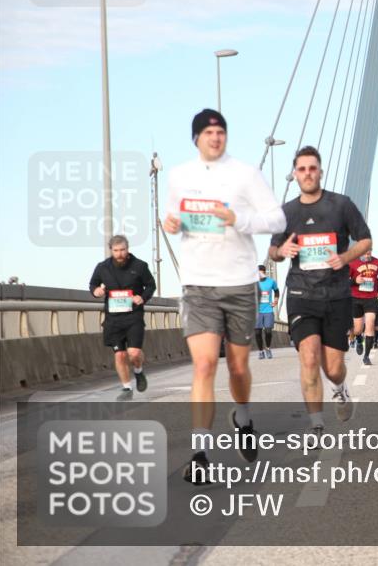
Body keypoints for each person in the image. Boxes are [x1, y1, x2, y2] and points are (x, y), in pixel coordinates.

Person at [164, 108, 286, 484]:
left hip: (238, 284)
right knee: (203, 367)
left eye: (220, 131)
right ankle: (199, 454)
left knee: (237, 367)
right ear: (196, 138)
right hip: (198, 285)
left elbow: (277, 220)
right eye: (208, 132)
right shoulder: (179, 175)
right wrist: (170, 223)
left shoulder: (245, 174)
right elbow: (174, 216)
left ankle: (243, 417)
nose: (215, 137)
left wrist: (241, 220)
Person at [269, 146, 371, 438]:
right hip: (302, 295)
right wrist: (281, 251)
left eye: (312, 168)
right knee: (309, 357)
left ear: (320, 171)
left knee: (333, 368)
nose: (308, 174)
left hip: (337, 296)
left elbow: (365, 240)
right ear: (295, 174)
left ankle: (339, 388)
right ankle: (315, 423)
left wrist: (346, 257)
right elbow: (273, 251)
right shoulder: (287, 212)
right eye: (302, 169)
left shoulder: (341, 205)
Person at [88, 234, 156, 401]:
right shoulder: (102, 267)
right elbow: (93, 284)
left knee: (133, 353)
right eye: (116, 250)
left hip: (133, 316)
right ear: (111, 250)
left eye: (122, 250)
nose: (119, 254)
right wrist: (96, 291)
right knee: (119, 355)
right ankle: (126, 388)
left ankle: (139, 372)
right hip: (113, 318)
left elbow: (151, 285)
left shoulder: (139, 266)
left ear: (128, 249)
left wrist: (143, 297)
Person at [350, 251, 378, 364]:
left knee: (370, 323)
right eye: (364, 253)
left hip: (371, 298)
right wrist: (355, 281)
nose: (367, 256)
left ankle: (366, 356)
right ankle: (359, 339)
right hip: (356, 299)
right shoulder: (351, 263)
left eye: (369, 253)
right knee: (358, 329)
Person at [255, 265, 279, 360]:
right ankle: (261, 351)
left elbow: (276, 291)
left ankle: (268, 349)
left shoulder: (271, 282)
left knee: (268, 331)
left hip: (268, 309)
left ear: (264, 272)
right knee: (257, 333)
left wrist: (276, 300)